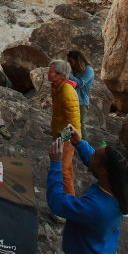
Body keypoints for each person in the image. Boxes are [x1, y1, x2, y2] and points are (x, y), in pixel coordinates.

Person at [46, 124, 128, 254]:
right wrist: (79, 143)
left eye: (95, 155)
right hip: (104, 246)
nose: (92, 154)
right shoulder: (122, 181)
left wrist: (56, 163)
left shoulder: (95, 207)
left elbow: (57, 202)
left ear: (104, 170)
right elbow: (96, 164)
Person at [48, 59, 81, 195]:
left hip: (68, 137)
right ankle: (69, 195)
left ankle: (69, 203)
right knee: (67, 169)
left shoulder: (67, 92)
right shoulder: (56, 87)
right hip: (60, 133)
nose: (48, 73)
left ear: (60, 75)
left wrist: (62, 139)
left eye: (51, 71)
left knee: (63, 170)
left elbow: (74, 125)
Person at [67, 50, 95, 140]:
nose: (70, 64)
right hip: (71, 99)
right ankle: (65, 142)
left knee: (80, 125)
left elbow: (80, 83)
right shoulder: (75, 71)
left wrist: (68, 73)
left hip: (81, 102)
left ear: (77, 60)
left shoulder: (88, 70)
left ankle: (85, 148)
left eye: (71, 62)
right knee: (68, 122)